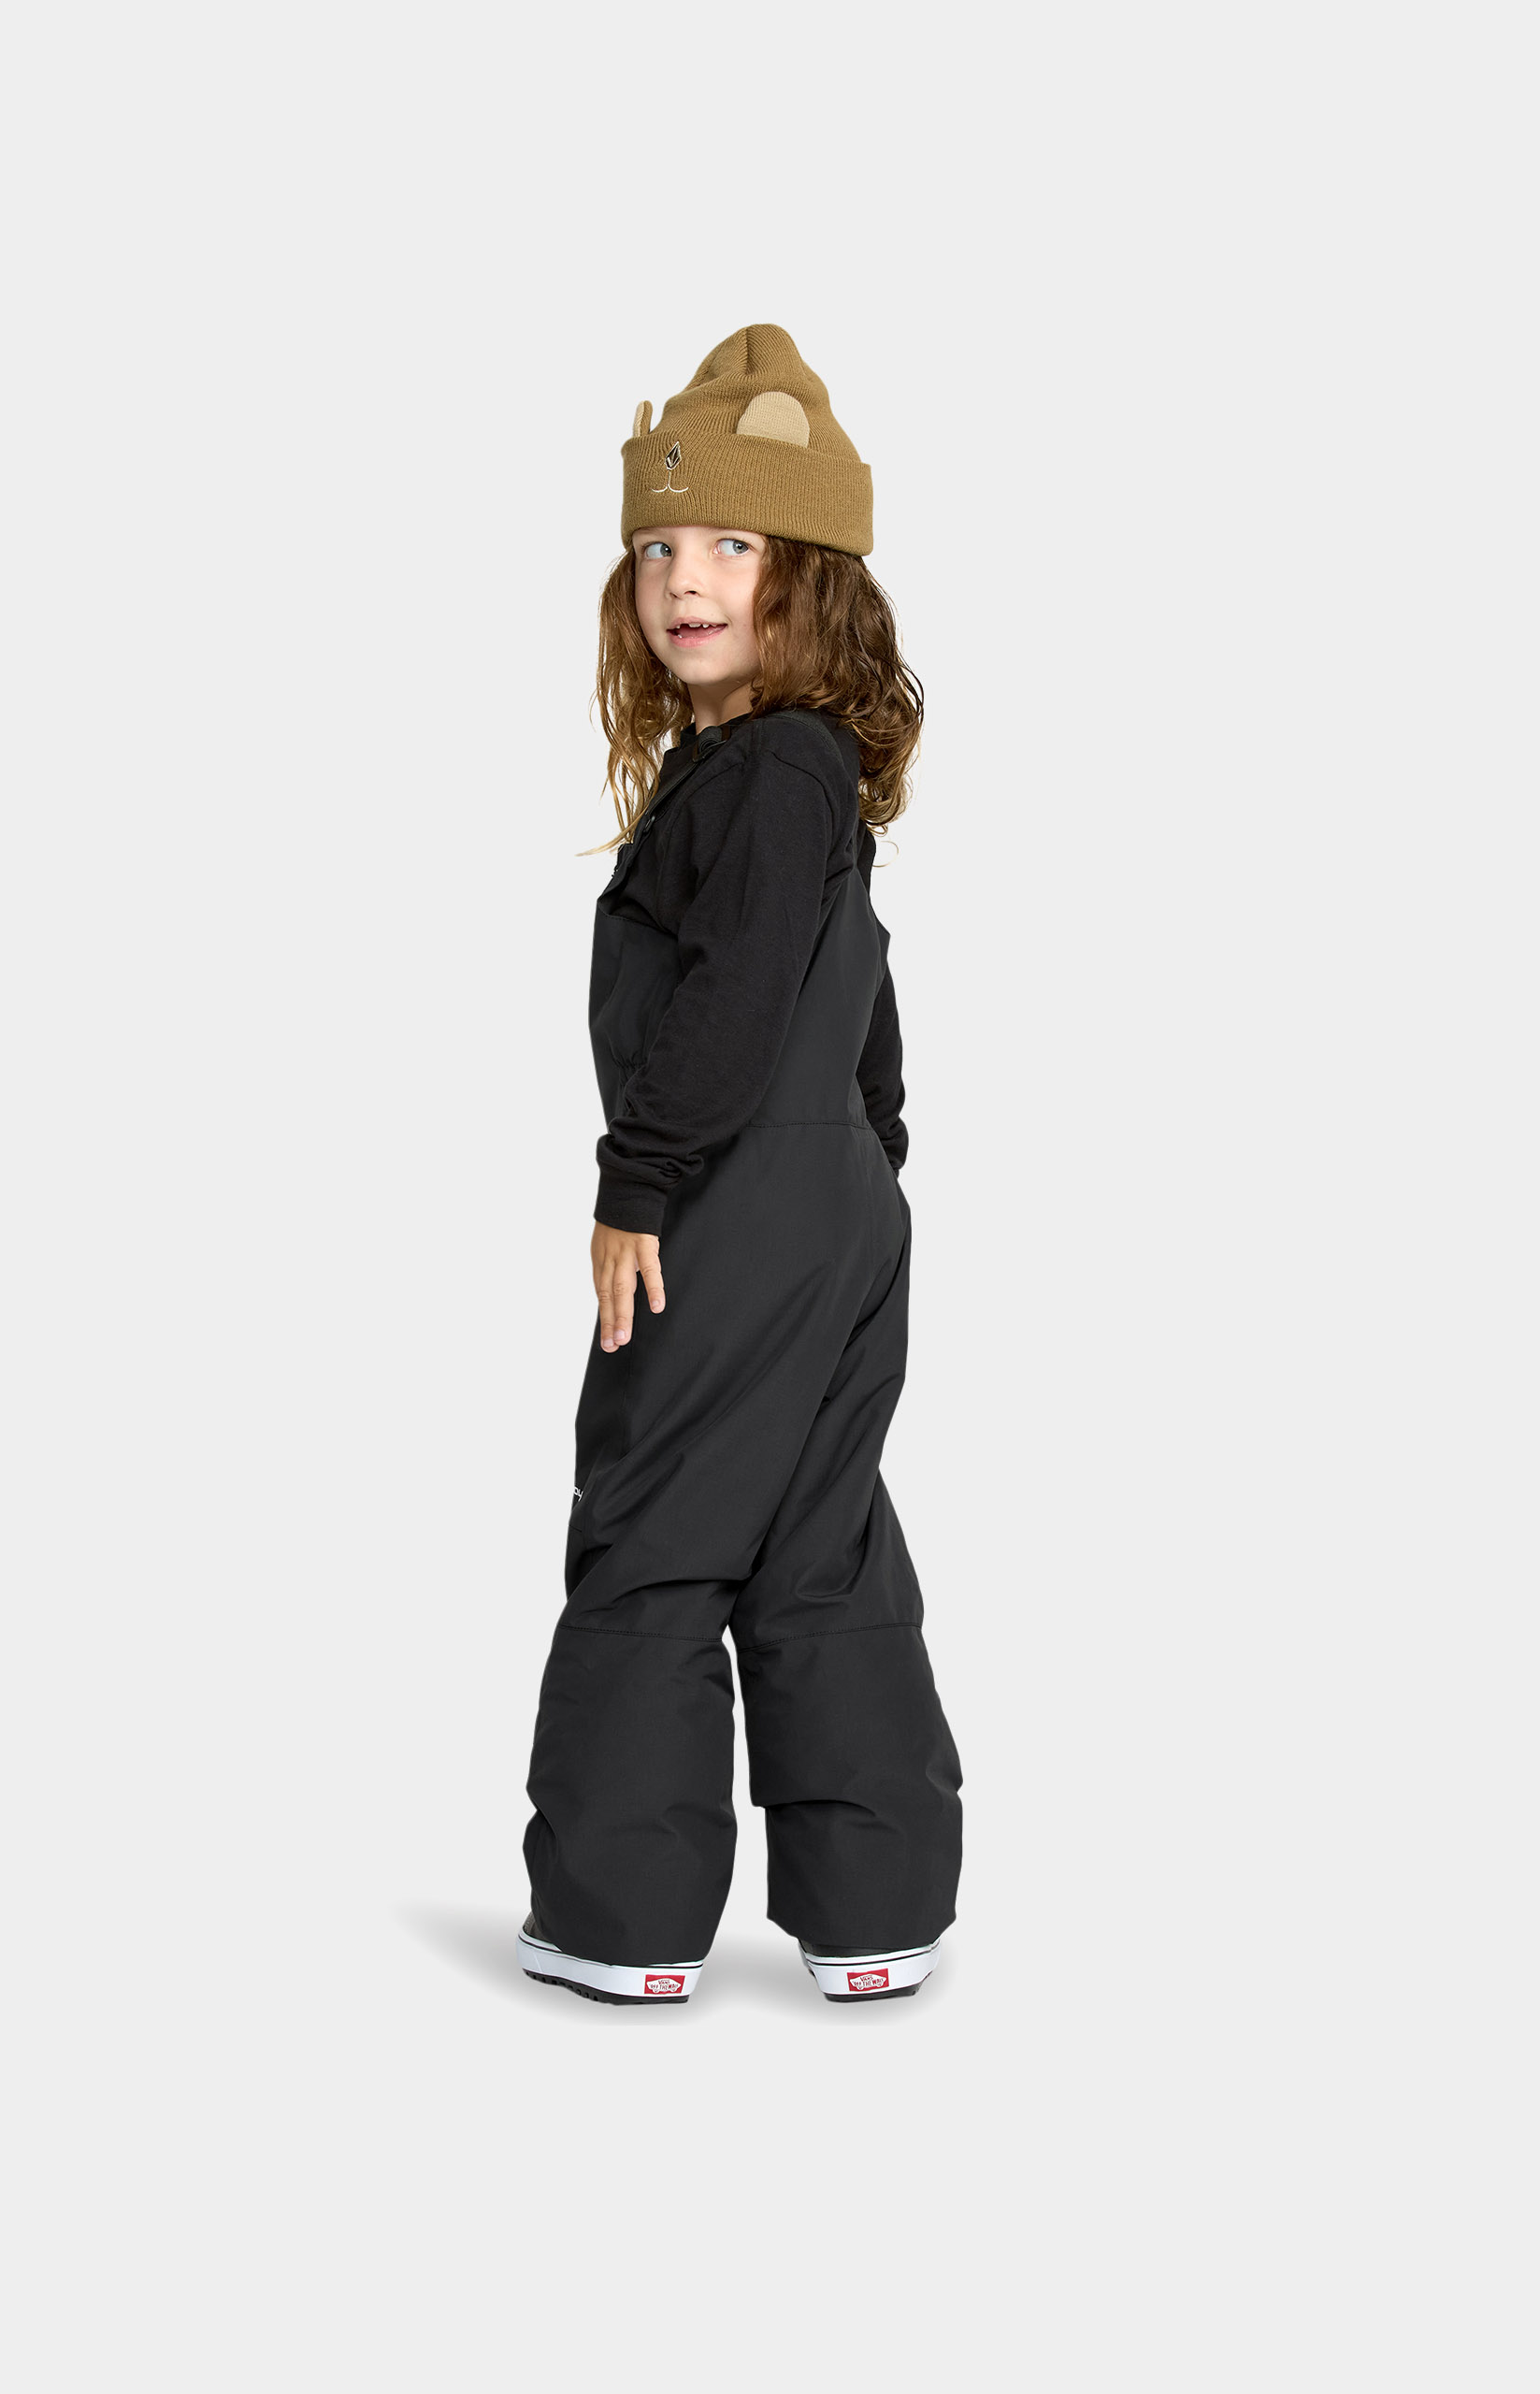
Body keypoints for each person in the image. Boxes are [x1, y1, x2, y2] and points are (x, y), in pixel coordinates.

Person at [517, 325, 962, 2007]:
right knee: (815, 1539)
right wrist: (865, 1167)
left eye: (731, 543)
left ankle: (621, 1924)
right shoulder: (799, 771)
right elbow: (861, 1000)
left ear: (812, 577)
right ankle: (875, 1910)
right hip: (835, 1203)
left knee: (654, 1525)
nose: (684, 580)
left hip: (732, 1198)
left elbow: (731, 992)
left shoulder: (767, 771)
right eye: (655, 546)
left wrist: (640, 1184)